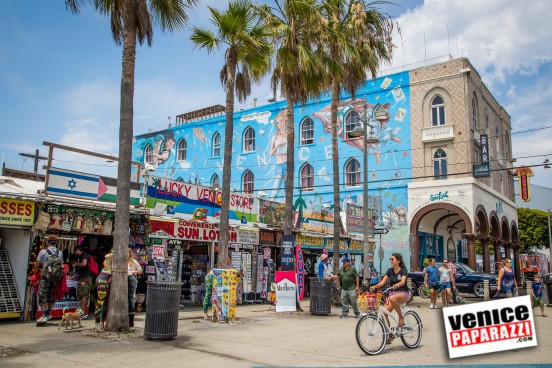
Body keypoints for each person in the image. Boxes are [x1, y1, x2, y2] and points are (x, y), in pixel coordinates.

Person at [370, 253, 410, 341]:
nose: (391, 261)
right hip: (393, 294)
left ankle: (401, 318)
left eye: (393, 259)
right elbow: (383, 282)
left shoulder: (403, 270)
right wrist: (375, 286)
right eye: (390, 259)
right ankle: (389, 334)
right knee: (384, 314)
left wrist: (397, 284)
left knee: (392, 298)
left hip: (403, 293)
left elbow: (403, 282)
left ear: (398, 261)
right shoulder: (390, 270)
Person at [34, 235, 64, 324]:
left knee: (42, 295)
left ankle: (43, 315)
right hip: (55, 278)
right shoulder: (60, 252)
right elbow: (62, 266)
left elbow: (37, 265)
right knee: (51, 295)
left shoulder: (43, 252)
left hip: (45, 278)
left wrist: (35, 274)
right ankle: (48, 313)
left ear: (47, 242)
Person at [73, 245, 92, 319]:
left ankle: (83, 313)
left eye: (75, 251)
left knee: (84, 295)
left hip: (85, 278)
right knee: (82, 295)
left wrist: (77, 264)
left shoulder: (84, 255)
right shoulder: (81, 256)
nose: (75, 253)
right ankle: (83, 312)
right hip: (83, 277)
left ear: (78, 250)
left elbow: (84, 263)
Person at [95, 253, 112, 330]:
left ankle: (101, 322)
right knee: (101, 302)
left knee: (106, 302)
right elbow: (106, 256)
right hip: (104, 278)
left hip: (105, 277)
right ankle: (98, 323)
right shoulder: (111, 256)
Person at [128, 249, 143, 327]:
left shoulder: (134, 262)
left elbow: (140, 271)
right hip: (123, 283)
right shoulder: (121, 261)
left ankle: (131, 321)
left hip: (132, 282)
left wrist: (133, 272)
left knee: (131, 300)